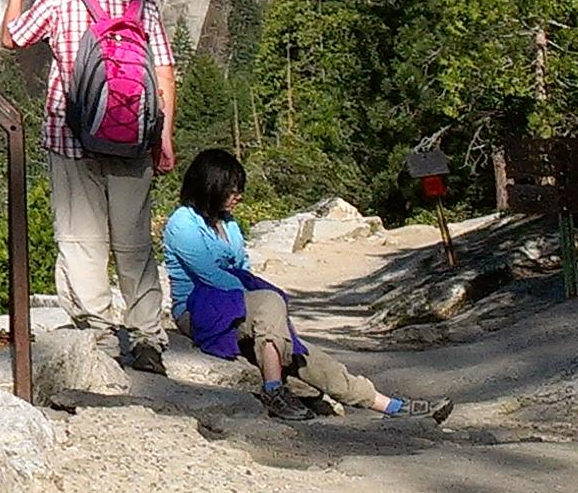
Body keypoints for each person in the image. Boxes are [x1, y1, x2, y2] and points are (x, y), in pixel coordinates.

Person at [165, 148, 452, 423]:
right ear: (210, 186)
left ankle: (390, 406)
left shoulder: (228, 224)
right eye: (231, 189)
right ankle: (274, 391)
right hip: (197, 308)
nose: (238, 196)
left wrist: (270, 313)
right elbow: (211, 276)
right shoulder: (182, 223)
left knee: (306, 355)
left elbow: (242, 268)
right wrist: (268, 304)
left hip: (236, 306)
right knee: (269, 304)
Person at [0, 0, 174, 373]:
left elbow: (12, 37)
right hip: (136, 136)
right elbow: (163, 73)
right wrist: (165, 136)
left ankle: (96, 334)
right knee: (134, 242)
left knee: (81, 239)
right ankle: (147, 338)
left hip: (70, 133)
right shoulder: (143, 6)